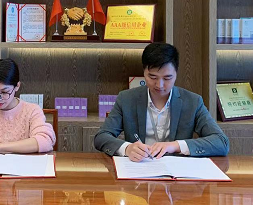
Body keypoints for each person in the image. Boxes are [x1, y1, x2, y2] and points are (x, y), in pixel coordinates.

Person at [94, 43, 229, 160]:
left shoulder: (193, 102)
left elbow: (221, 142)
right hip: (139, 167)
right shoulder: (126, 99)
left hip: (177, 171)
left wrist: (175, 146)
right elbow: (102, 137)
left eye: (167, 78)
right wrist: (127, 148)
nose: (160, 85)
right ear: (144, 72)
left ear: (176, 73)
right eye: (153, 77)